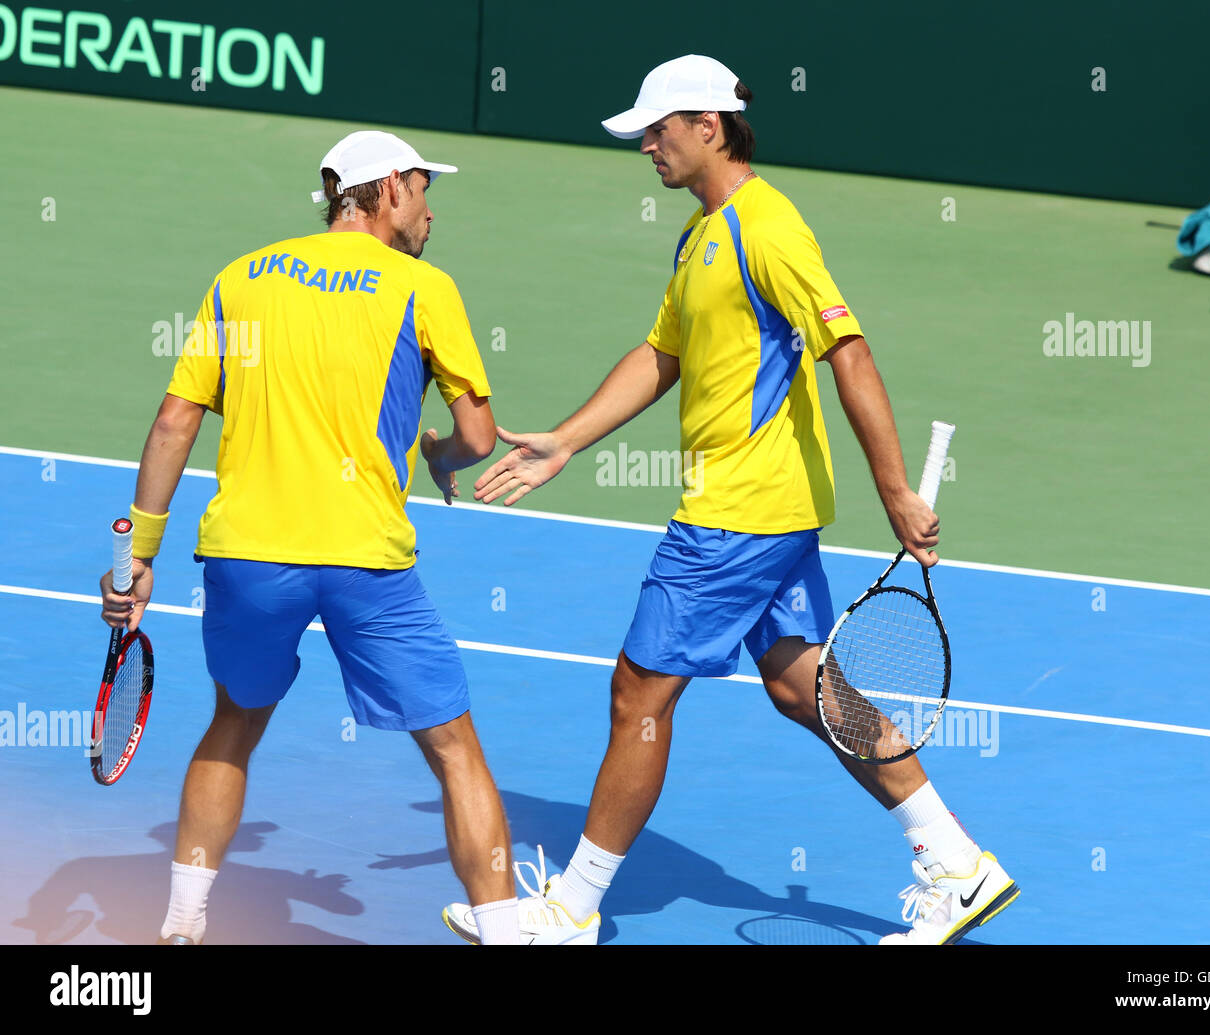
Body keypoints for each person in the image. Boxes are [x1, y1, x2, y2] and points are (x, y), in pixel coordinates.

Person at [441, 56, 1018, 946]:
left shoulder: (769, 227)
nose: (645, 144)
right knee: (804, 686)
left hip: (736, 512)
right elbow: (660, 354)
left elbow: (850, 351)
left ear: (709, 124)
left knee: (639, 692)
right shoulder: (701, 235)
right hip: (766, 508)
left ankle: (572, 908)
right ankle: (956, 860)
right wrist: (565, 438)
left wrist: (895, 489)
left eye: (658, 128)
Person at [98, 130, 522, 946]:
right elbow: (480, 434)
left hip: (249, 558)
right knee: (454, 747)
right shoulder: (424, 287)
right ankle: (503, 929)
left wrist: (137, 556)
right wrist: (437, 454)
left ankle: (183, 920)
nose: (431, 212)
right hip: (366, 560)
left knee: (235, 720)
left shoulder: (241, 278)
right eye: (425, 191)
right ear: (388, 188)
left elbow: (175, 420)